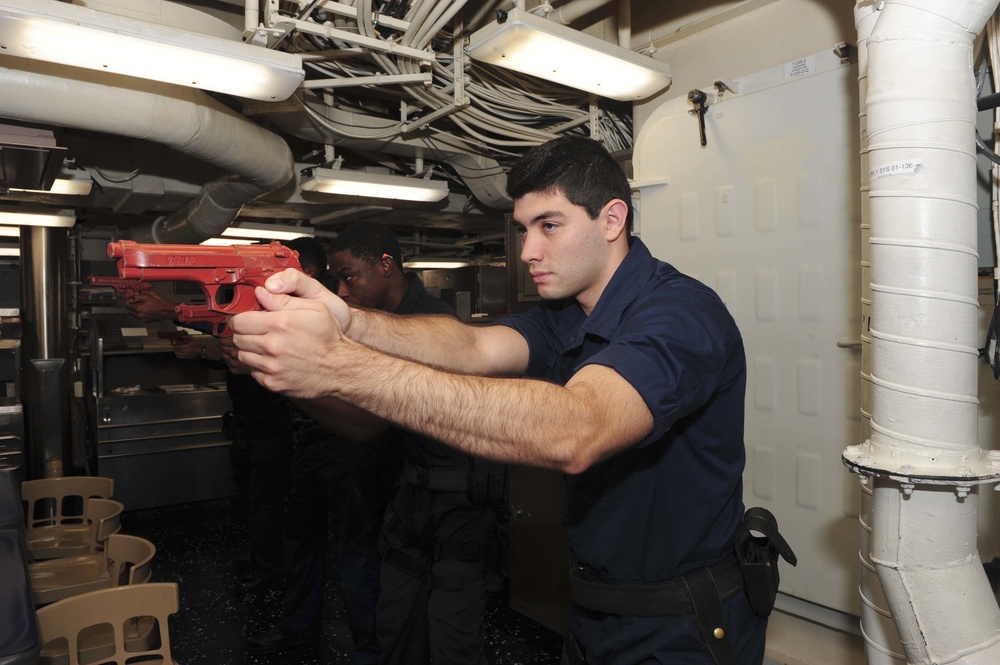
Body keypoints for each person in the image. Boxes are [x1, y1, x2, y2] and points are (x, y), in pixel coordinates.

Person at [230, 137, 769, 665]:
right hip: (595, 606)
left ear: (611, 220)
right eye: (523, 230)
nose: (529, 251)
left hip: (681, 622)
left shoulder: (680, 313)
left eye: (549, 226)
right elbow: (470, 344)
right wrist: (348, 322)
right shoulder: (566, 314)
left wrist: (338, 367)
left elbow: (577, 430)